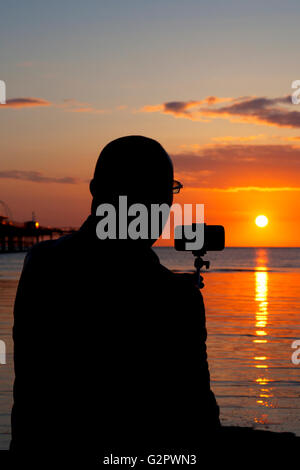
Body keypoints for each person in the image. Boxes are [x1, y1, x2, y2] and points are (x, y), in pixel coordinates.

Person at [10, 136, 220, 466]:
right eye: (157, 192)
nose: (160, 207)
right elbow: (196, 417)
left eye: (165, 192)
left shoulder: (41, 264)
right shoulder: (174, 300)